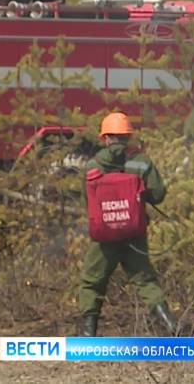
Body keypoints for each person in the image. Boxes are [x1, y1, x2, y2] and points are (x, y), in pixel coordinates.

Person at [77, 112, 177, 336]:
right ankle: (170, 325)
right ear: (127, 136)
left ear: (105, 138)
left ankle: (87, 333)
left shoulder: (93, 164)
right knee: (144, 280)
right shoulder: (141, 161)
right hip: (134, 232)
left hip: (104, 236)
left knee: (92, 281)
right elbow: (158, 193)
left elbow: (88, 201)